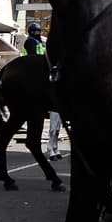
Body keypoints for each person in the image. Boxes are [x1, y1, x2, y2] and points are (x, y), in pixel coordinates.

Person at [23, 22, 65, 160]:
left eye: (39, 31)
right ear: (31, 32)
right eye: (35, 31)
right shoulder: (30, 42)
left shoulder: (40, 42)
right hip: (32, 67)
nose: (38, 33)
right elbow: (33, 56)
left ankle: (53, 147)